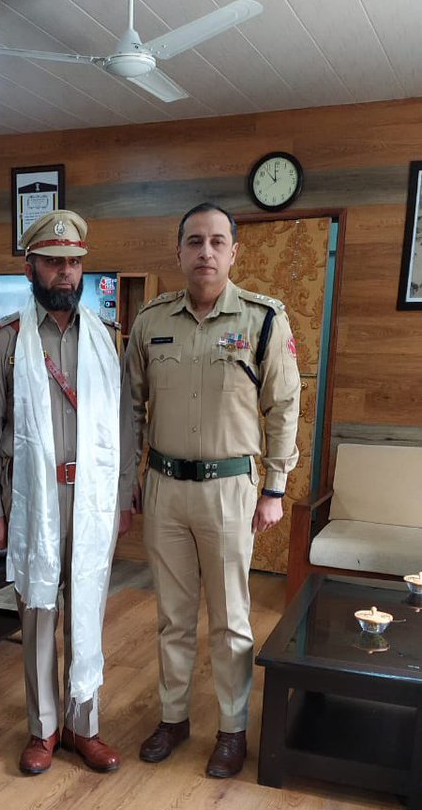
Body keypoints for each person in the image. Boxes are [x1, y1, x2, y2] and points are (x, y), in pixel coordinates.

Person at [128, 202, 301, 778]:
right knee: (173, 616)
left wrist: (274, 487)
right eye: (195, 242)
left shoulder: (263, 319)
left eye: (217, 242)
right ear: (178, 251)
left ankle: (231, 729)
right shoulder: (151, 322)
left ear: (234, 252)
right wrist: (130, 481)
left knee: (231, 619)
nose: (206, 252)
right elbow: (131, 408)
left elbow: (283, 407)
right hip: (164, 487)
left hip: (230, 488)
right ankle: (174, 717)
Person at [0, 209, 135, 775]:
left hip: (90, 499)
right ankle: (43, 729)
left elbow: (123, 428)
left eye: (73, 263)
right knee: (40, 614)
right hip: (32, 500)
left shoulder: (104, 340)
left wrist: (121, 498)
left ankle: (83, 726)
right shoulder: (4, 340)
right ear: (30, 267)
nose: (65, 274)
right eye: (53, 262)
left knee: (86, 606)